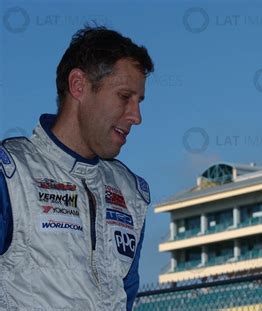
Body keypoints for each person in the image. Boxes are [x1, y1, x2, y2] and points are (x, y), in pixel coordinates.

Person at [0, 26, 154, 310]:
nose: (136, 116)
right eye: (124, 97)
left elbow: (127, 294)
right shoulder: (11, 173)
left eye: (139, 101)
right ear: (79, 85)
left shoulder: (131, 192)